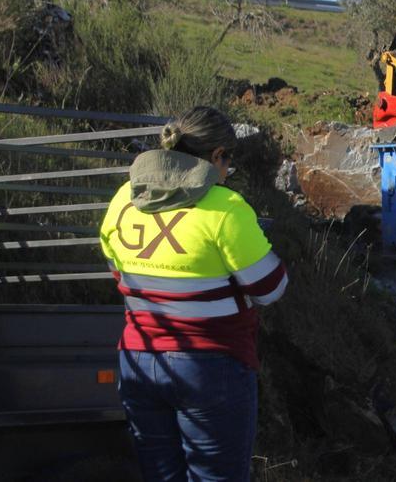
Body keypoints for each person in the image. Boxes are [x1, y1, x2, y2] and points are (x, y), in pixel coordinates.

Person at [100, 106, 288, 481]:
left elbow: (117, 268)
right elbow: (271, 288)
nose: (227, 170)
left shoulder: (125, 197)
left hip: (139, 361)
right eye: (228, 160)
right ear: (217, 155)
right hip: (210, 366)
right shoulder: (225, 208)